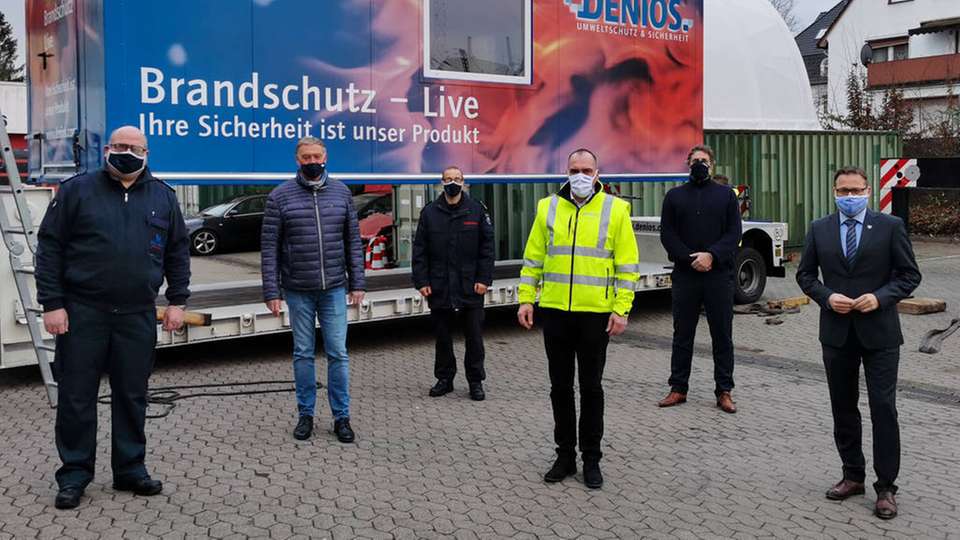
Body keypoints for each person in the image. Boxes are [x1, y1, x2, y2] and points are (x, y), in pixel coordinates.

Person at [36, 126, 191, 510]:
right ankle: (74, 474)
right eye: (120, 146)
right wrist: (52, 303)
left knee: (131, 395)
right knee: (76, 397)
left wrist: (178, 301)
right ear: (107, 150)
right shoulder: (77, 191)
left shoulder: (163, 197)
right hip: (82, 312)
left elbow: (178, 253)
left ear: (147, 153)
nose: (126, 152)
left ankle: (130, 469)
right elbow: (50, 248)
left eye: (134, 148)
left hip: (136, 315)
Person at [796, 166, 921, 520]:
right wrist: (826, 296)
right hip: (837, 333)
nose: (849, 196)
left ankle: (886, 488)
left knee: (883, 408)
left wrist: (880, 297)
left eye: (855, 190)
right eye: (842, 190)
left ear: (868, 190)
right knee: (843, 407)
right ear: (833, 191)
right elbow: (805, 274)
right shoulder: (819, 229)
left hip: (880, 333)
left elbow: (910, 275)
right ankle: (852, 475)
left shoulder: (890, 227)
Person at [517, 148, 639, 489]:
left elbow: (627, 266)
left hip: (594, 315)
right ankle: (565, 456)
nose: (580, 175)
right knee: (559, 388)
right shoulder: (548, 207)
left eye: (587, 169)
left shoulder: (616, 210)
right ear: (566, 171)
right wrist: (526, 299)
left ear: (598, 173)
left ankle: (592, 459)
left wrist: (621, 308)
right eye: (575, 169)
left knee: (591, 389)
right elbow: (533, 259)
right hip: (555, 312)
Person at [261, 137, 365, 443]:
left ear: (326, 156)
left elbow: (353, 243)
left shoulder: (342, 192)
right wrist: (271, 290)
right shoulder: (280, 197)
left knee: (338, 354)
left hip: (334, 287)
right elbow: (269, 248)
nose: (312, 162)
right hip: (297, 289)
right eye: (306, 157)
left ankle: (341, 418)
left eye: (316, 156)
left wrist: (358, 282)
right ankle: (305, 415)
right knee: (303, 354)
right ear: (297, 160)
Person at [658, 145, 742, 413]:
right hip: (685, 275)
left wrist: (712, 256)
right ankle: (678, 388)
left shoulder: (726, 196)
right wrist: (689, 258)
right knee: (682, 334)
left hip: (718, 275)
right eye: (695, 160)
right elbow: (668, 235)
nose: (699, 164)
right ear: (687, 163)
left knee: (722, 336)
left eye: (704, 160)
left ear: (712, 165)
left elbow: (733, 234)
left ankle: (724, 391)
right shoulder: (674, 197)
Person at [412, 166, 495, 401]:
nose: (453, 183)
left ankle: (475, 381)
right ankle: (444, 379)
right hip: (439, 286)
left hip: (471, 286)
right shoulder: (430, 213)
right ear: (441, 182)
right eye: (448, 179)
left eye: (457, 179)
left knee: (475, 338)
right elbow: (420, 251)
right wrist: (422, 281)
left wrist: (483, 279)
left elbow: (487, 249)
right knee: (442, 337)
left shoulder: (476, 210)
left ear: (463, 181)